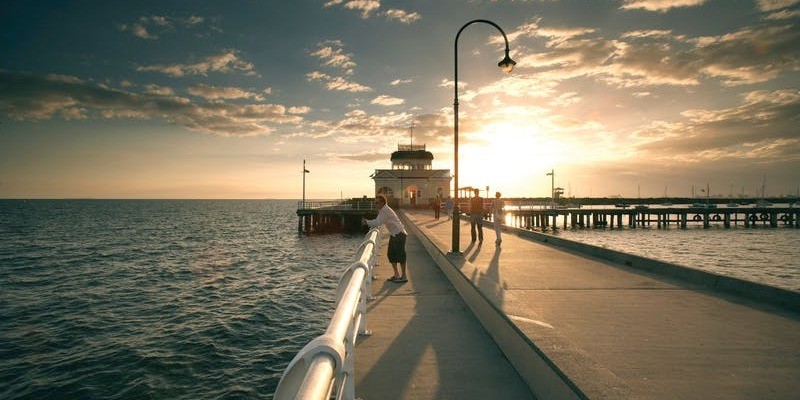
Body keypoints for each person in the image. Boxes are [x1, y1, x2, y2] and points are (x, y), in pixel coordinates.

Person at [362, 194, 408, 283]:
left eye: (377, 203)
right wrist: (368, 222)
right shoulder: (383, 210)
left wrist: (366, 222)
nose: (375, 204)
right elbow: (378, 221)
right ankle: (396, 275)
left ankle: (404, 276)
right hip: (394, 234)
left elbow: (377, 222)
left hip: (399, 234)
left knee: (401, 255)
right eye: (374, 202)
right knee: (391, 255)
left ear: (383, 203)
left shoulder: (385, 211)